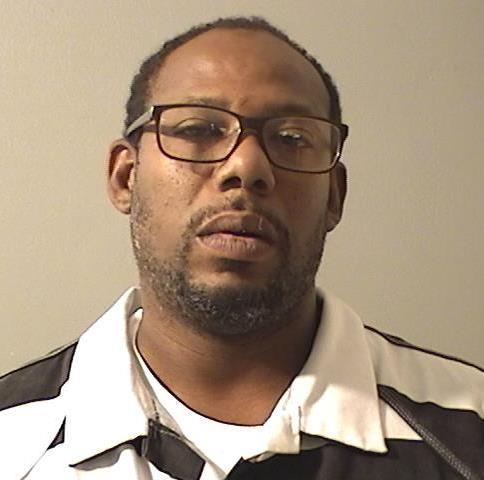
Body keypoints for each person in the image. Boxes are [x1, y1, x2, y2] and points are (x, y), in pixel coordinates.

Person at [0, 16, 483, 480]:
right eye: (198, 130)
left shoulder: (470, 429)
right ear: (126, 177)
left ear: (334, 196)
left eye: (291, 138)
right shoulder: (12, 440)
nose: (247, 167)